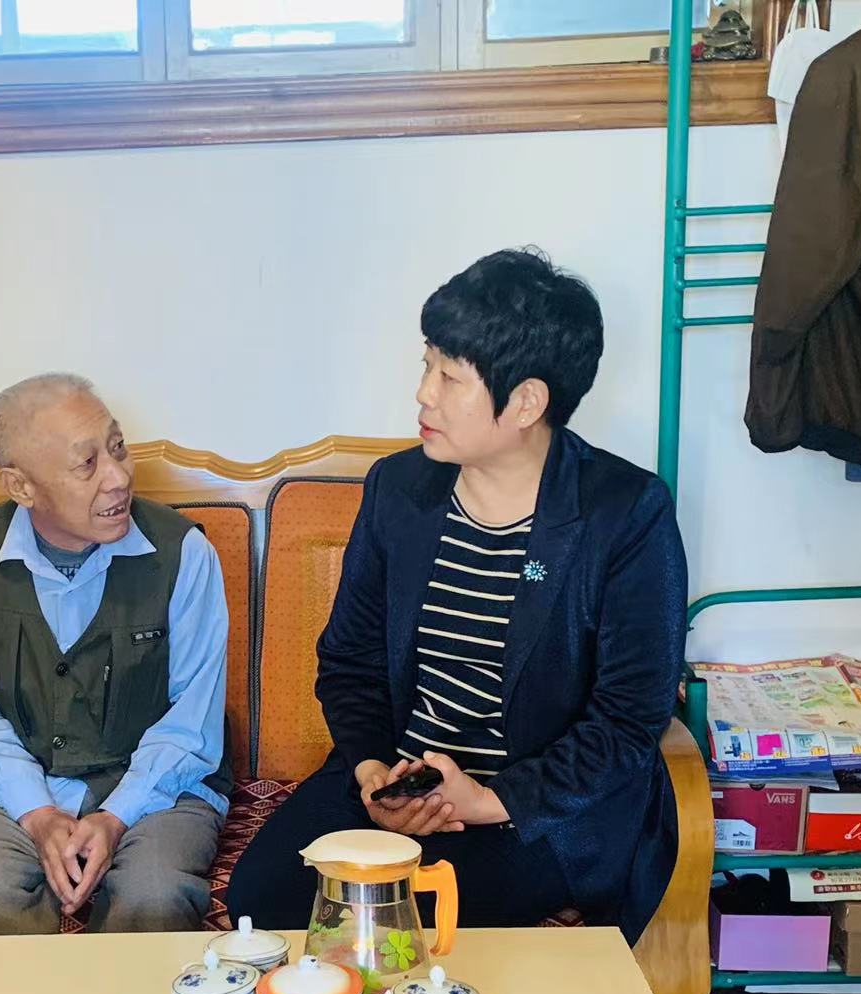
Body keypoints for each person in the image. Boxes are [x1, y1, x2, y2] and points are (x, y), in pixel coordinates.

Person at [224, 249, 688, 937]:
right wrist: (375, 773)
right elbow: (349, 660)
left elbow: (627, 720)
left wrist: (487, 800)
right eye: (426, 365)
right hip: (400, 783)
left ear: (526, 402)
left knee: (401, 917)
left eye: (449, 376)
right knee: (261, 898)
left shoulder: (624, 514)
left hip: (533, 812)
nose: (423, 394)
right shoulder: (398, 490)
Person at [0, 373, 230, 935]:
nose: (118, 478)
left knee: (154, 895)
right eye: (87, 464)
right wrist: (38, 814)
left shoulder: (185, 553)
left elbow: (190, 723)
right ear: (21, 486)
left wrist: (116, 816)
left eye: (118, 448)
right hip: (13, 788)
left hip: (159, 787)